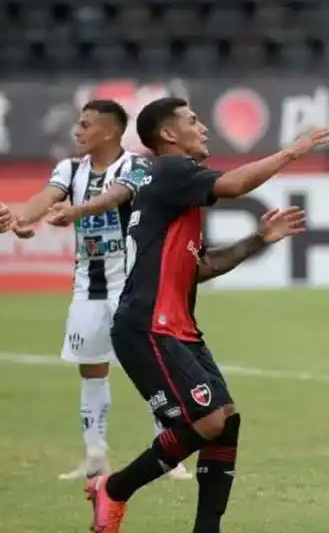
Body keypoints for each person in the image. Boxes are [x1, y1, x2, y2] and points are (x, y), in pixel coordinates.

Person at [84, 96, 329, 533]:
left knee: (226, 421)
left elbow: (202, 267)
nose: (203, 128)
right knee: (209, 421)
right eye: (193, 121)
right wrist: (292, 152)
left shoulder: (175, 187)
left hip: (177, 327)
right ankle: (115, 489)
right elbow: (234, 185)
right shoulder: (171, 169)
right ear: (167, 134)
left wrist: (258, 238)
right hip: (148, 326)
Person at [6, 99, 192, 480]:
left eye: (85, 125)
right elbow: (47, 197)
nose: (77, 131)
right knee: (92, 369)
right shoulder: (70, 168)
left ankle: (170, 449)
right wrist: (20, 218)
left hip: (134, 284)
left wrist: (75, 212)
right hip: (87, 286)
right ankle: (95, 454)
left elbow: (117, 196)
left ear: (109, 131)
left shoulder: (137, 166)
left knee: (152, 366)